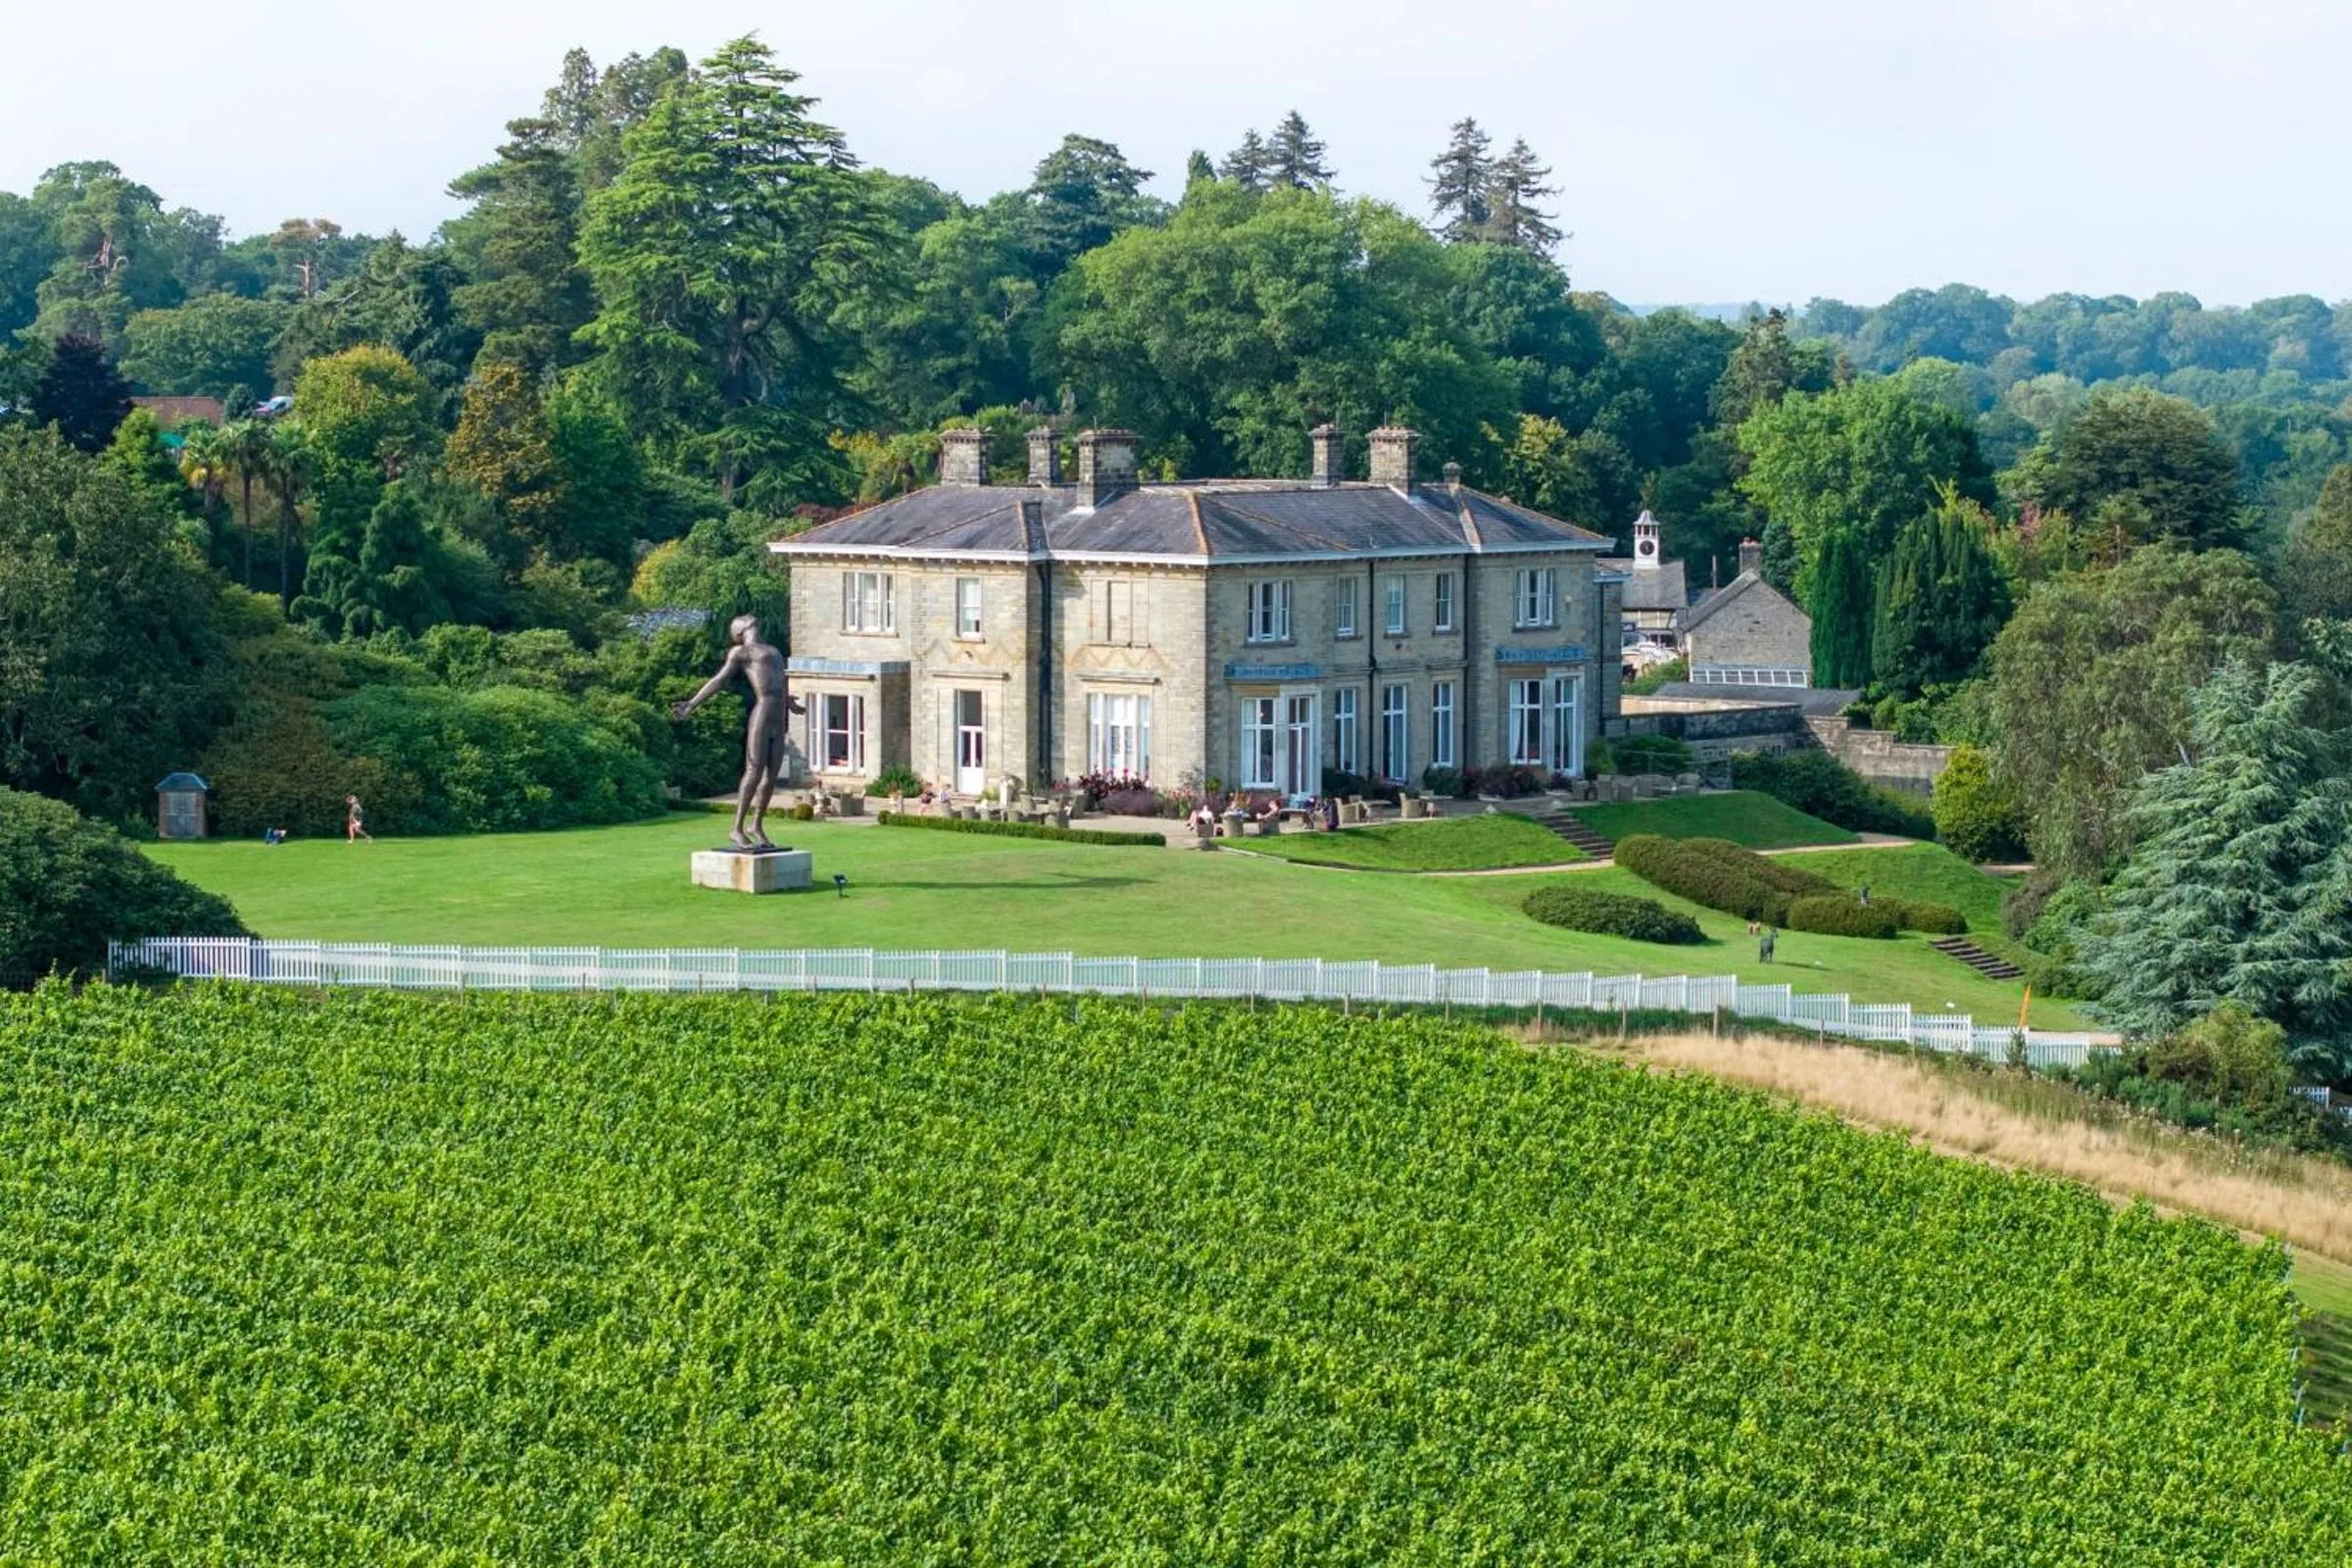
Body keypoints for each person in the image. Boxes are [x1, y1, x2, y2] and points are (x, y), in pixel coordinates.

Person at [673, 614, 805, 850]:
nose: (752, 619)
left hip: (777, 716)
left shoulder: (773, 650)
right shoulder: (741, 652)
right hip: (762, 714)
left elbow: (780, 682)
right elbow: (719, 680)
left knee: (771, 775)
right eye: (745, 620)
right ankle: (736, 828)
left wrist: (790, 703)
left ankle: (757, 825)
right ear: (741, 630)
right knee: (754, 771)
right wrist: (692, 703)